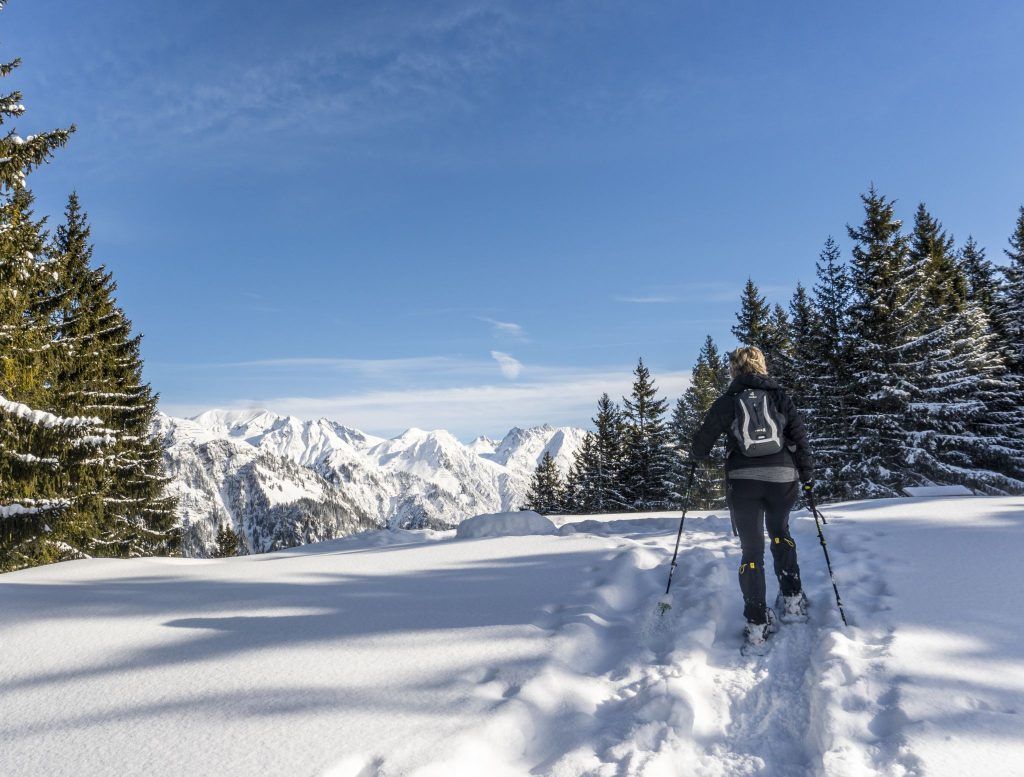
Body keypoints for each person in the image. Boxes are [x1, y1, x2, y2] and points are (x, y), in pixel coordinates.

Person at [690, 345, 814, 647]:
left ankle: (757, 621)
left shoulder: (728, 400)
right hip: (782, 477)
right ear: (762, 365)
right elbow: (799, 437)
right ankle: (793, 599)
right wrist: (807, 476)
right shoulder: (779, 396)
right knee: (780, 532)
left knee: (751, 549)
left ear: (734, 369)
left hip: (743, 481)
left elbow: (703, 441)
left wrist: (696, 458)